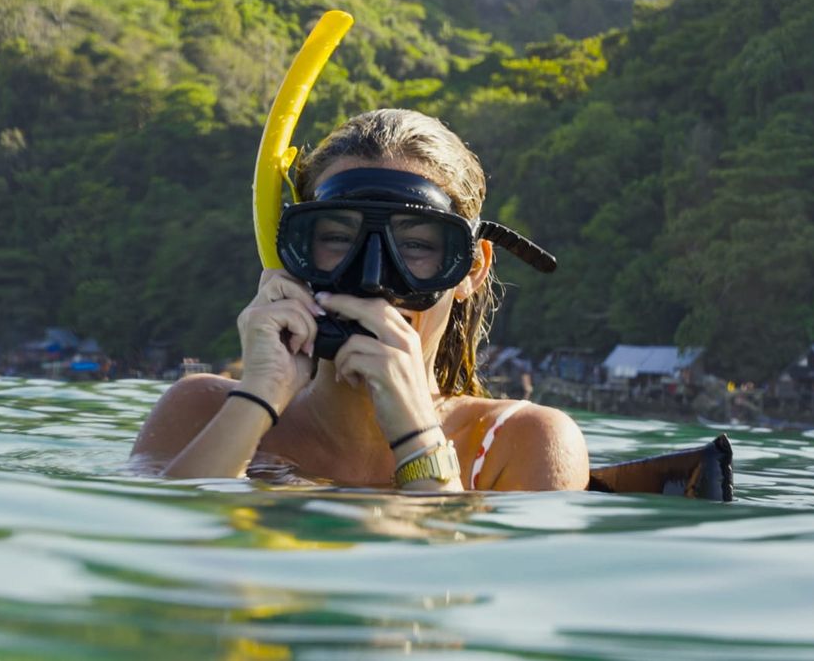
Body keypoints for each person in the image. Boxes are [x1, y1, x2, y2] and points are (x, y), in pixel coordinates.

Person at [131, 109, 589, 491]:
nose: (372, 280)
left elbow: (450, 589)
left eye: (415, 246)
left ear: (470, 268)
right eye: (335, 237)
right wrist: (258, 399)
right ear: (292, 255)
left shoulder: (523, 442)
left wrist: (416, 435)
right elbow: (163, 568)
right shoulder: (203, 410)